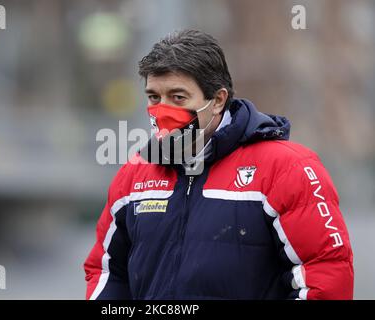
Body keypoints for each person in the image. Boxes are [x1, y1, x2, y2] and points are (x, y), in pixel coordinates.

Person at [84, 29, 353, 300]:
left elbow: (325, 278)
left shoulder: (286, 168)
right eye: (154, 97)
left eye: (178, 97)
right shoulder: (134, 175)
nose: (162, 110)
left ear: (218, 100)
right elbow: (106, 271)